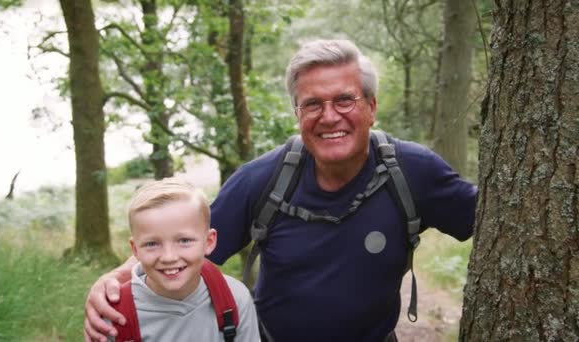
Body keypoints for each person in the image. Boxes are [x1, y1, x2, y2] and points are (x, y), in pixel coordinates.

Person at [84, 39, 477, 342]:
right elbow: (186, 243)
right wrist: (112, 281)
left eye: (345, 100)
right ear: (297, 115)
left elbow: (497, 219)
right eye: (313, 104)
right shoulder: (263, 179)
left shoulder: (413, 172)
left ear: (371, 107)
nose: (329, 116)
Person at [106, 178, 259, 341]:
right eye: (152, 244)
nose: (169, 257)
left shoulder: (235, 298)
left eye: (184, 241)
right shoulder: (114, 315)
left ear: (209, 242)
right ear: (135, 249)